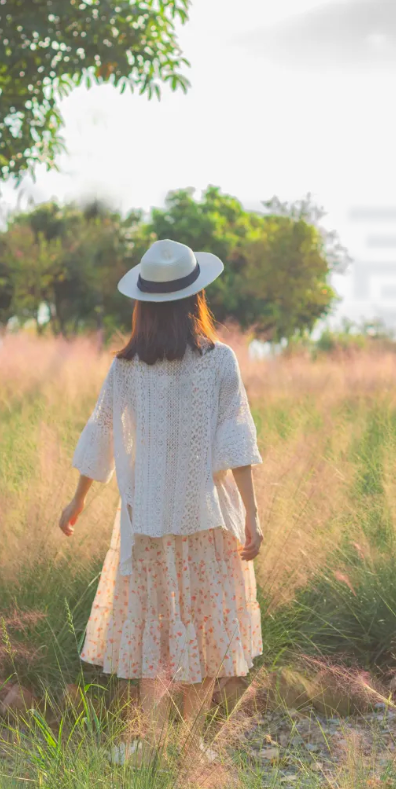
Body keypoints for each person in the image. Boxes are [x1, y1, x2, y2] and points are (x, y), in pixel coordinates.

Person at [57, 238, 264, 741]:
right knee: (206, 628)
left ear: (143, 304)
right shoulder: (220, 360)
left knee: (158, 633)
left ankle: (155, 741)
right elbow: (234, 440)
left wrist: (79, 497)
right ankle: (184, 742)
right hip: (206, 520)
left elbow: (100, 430)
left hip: (145, 520)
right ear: (196, 299)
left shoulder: (127, 366)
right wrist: (253, 516)